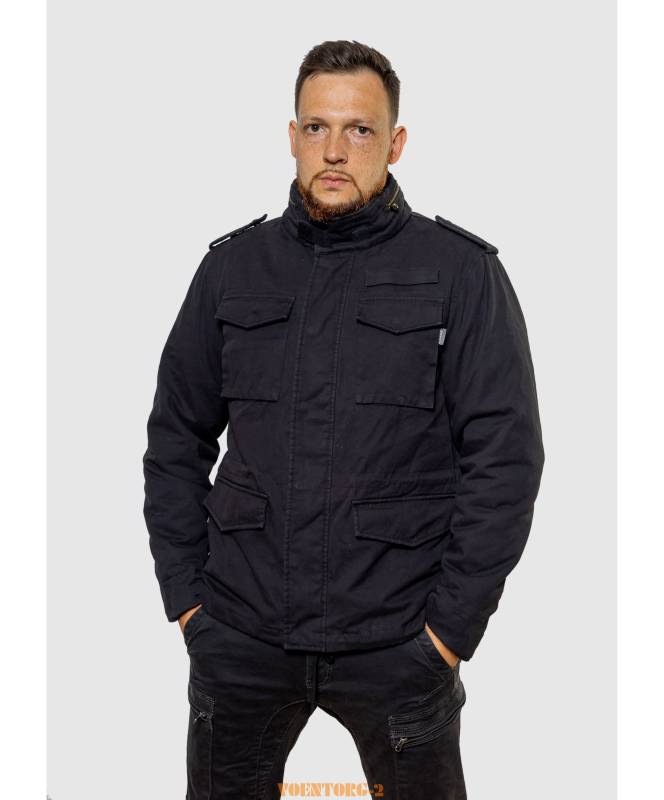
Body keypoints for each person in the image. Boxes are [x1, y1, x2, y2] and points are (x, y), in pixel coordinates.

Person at [142, 39, 545, 800]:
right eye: (317, 127)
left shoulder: (461, 272)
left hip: (399, 638)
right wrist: (190, 603)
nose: (335, 150)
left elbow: (505, 459)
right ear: (292, 136)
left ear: (395, 143)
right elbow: (175, 437)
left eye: (360, 130)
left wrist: (448, 633)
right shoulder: (231, 269)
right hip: (241, 632)